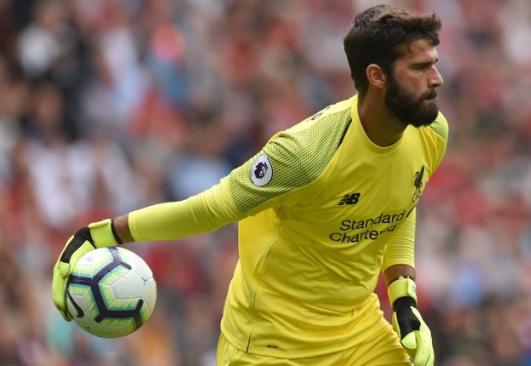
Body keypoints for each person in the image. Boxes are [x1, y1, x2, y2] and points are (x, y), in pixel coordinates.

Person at [52, 4, 446, 365]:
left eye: (434, 64)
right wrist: (100, 234)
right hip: (270, 344)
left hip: (358, 335)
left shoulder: (430, 132)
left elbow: (399, 203)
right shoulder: (305, 154)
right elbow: (209, 210)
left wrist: (403, 298)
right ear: (376, 76)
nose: (437, 79)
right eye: (420, 68)